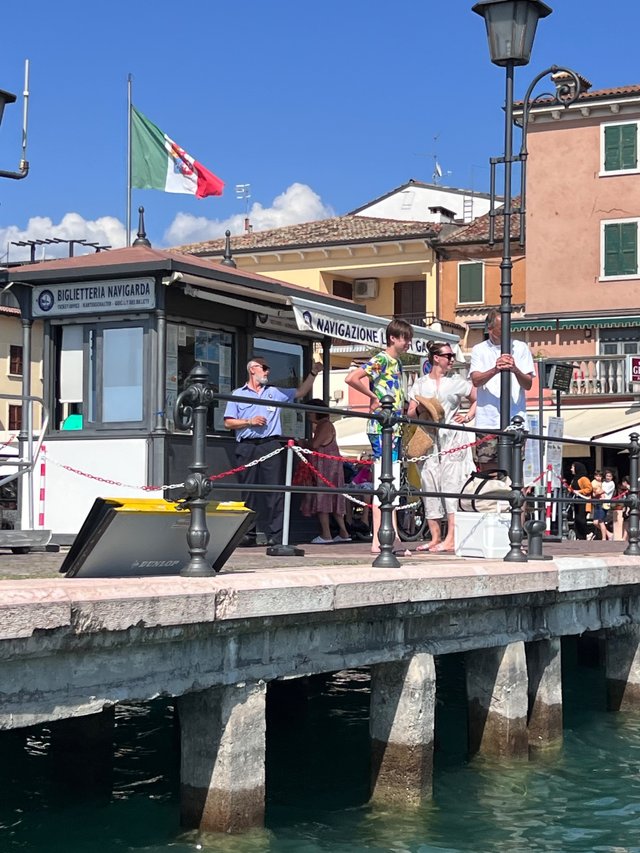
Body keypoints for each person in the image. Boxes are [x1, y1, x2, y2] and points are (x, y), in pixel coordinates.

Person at [224, 355, 321, 547]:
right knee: (248, 491)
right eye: (264, 368)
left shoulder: (274, 392)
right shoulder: (237, 394)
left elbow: (301, 392)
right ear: (252, 369)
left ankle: (277, 536)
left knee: (275, 492)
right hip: (247, 445)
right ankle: (248, 535)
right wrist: (249, 422)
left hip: (270, 445)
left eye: (268, 368)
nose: (267, 371)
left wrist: (313, 373)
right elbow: (228, 422)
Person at [345, 318, 413, 553]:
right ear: (393, 338)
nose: (407, 344)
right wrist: (372, 397)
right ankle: (380, 537)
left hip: (393, 427)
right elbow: (352, 377)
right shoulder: (383, 359)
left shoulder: (397, 363)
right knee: (384, 480)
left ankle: (389, 535)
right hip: (382, 428)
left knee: (389, 480)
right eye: (405, 338)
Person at [407, 340, 477, 553]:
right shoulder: (420, 383)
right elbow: (410, 411)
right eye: (448, 356)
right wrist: (422, 411)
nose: (452, 359)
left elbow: (477, 397)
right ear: (436, 358)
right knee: (429, 483)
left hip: (452, 436)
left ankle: (452, 537)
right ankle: (435, 536)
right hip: (429, 437)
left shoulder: (457, 381)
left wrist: (468, 415)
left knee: (451, 484)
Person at [469, 309, 535, 471]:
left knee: (515, 472)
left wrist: (515, 369)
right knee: (489, 472)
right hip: (488, 421)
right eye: (501, 328)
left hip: (515, 420)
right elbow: (476, 380)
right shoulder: (479, 349)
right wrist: (495, 369)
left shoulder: (520, 348)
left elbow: (528, 384)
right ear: (490, 329)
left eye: (508, 327)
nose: (507, 331)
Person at [300, 399, 351, 544]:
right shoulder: (328, 425)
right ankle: (343, 532)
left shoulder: (324, 426)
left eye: (310, 412)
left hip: (326, 467)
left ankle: (326, 534)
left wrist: (303, 443)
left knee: (323, 498)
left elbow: (315, 445)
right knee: (334, 499)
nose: (308, 415)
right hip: (333, 467)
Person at [568, 461, 592, 540]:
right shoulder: (574, 479)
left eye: (572, 467)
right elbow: (572, 488)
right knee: (577, 519)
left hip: (583, 501)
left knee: (581, 519)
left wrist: (579, 492)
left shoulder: (584, 479)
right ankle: (580, 536)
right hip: (577, 501)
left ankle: (587, 533)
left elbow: (589, 489)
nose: (571, 469)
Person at [590, 470, 610, 541]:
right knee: (595, 522)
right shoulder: (593, 483)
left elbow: (602, 491)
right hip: (597, 502)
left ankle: (604, 538)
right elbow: (594, 492)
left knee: (600, 521)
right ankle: (609, 534)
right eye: (597, 476)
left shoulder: (603, 483)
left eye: (600, 476)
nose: (598, 477)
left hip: (602, 502)